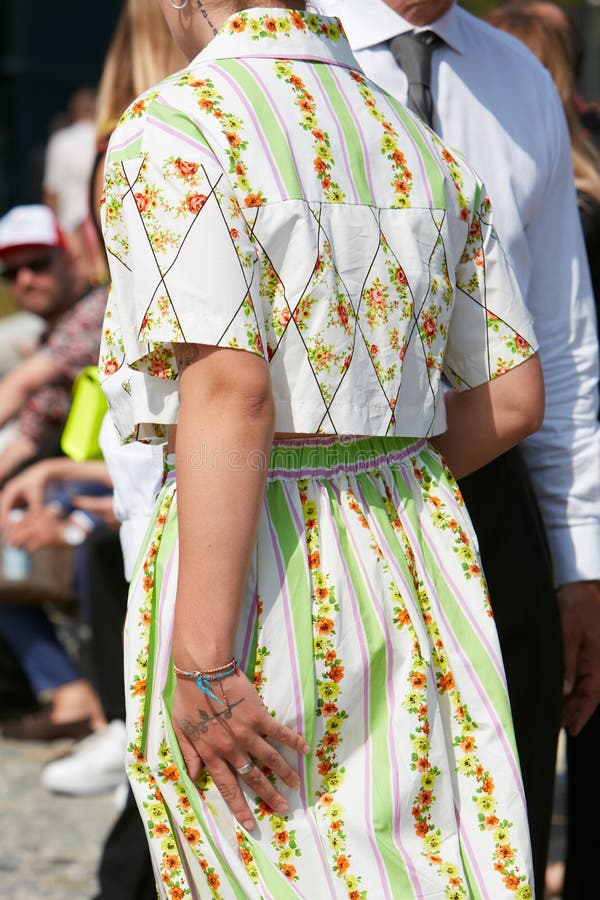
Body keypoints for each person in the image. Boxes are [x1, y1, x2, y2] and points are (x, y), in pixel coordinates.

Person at [100, 2, 543, 896]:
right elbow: (512, 394)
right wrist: (374, 481)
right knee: (424, 865)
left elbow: (232, 393)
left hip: (258, 565)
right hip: (416, 550)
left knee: (268, 862)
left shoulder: (180, 127)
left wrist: (205, 658)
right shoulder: (414, 139)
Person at [321, 0, 600, 893]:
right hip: (311, 505)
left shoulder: (515, 77)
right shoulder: (280, 49)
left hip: (496, 505)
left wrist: (576, 559)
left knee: (499, 831)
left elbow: (562, 341)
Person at [486, 9, 600, 899]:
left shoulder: (511, 83)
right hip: (348, 508)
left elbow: (553, 364)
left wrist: (578, 558)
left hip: (522, 488)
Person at [0, 204, 107, 483]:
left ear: (68, 258)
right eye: (11, 272)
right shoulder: (49, 335)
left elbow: (22, 384)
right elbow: (28, 438)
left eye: (38, 265)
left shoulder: (98, 311)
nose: (25, 280)